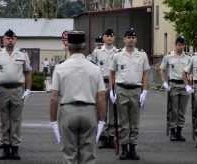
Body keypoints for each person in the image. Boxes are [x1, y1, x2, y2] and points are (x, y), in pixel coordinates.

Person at [49, 31, 106, 164]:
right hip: (89, 110)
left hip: (68, 110)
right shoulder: (94, 68)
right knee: (88, 154)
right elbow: (101, 97)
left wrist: (52, 121)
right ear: (84, 46)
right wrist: (102, 120)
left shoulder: (60, 68)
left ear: (68, 46)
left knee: (69, 154)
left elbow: (54, 97)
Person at [0, 29, 32, 160]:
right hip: (2, 90)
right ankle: (6, 148)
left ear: (16, 39)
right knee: (4, 120)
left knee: (16, 120)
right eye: (8, 38)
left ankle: (15, 148)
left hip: (17, 89)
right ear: (3, 40)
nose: (10, 40)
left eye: (12, 38)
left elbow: (28, 72)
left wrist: (28, 89)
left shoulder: (23, 55)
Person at [109, 28, 150, 160]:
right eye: (128, 37)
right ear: (124, 39)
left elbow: (145, 74)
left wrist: (145, 91)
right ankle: (124, 148)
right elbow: (112, 73)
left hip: (136, 90)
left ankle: (133, 148)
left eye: (133, 37)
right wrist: (111, 90)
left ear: (136, 40)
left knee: (134, 122)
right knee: (123, 122)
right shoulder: (117, 55)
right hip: (121, 89)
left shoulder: (142, 55)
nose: (131, 39)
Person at [159, 36, 191, 142]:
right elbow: (162, 69)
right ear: (175, 44)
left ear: (184, 45)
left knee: (182, 110)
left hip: (184, 86)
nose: (180, 47)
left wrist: (190, 85)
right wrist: (164, 82)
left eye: (182, 45)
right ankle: (172, 131)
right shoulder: (169, 57)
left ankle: (179, 131)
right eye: (178, 44)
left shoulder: (188, 58)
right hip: (173, 85)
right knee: (174, 110)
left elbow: (191, 72)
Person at [91, 29, 119, 148]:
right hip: (101, 84)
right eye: (107, 36)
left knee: (113, 111)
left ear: (114, 38)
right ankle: (102, 136)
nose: (109, 38)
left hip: (114, 84)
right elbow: (92, 68)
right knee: (101, 111)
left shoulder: (118, 52)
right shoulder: (97, 52)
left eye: (111, 36)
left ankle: (111, 136)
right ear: (103, 38)